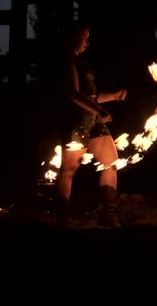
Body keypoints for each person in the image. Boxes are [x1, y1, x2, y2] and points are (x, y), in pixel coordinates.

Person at [55, 22, 127, 228]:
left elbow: (91, 96)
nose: (88, 41)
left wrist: (113, 96)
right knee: (68, 170)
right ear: (73, 37)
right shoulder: (66, 62)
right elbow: (73, 93)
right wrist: (99, 110)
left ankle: (108, 213)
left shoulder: (81, 62)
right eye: (84, 36)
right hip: (76, 122)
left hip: (93, 122)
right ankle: (62, 218)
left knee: (111, 162)